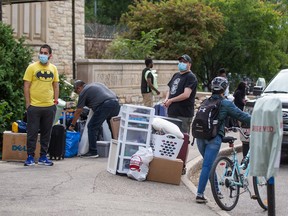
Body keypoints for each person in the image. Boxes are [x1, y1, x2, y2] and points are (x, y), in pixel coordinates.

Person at [195, 76, 251, 203]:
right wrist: (259, 120)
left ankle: (217, 191)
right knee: (208, 166)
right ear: (224, 89)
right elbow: (242, 116)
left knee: (209, 165)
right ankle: (199, 194)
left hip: (199, 137)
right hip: (213, 138)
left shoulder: (205, 101)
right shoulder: (225, 103)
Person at [23, 44, 59, 166]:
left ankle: (43, 156)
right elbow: (26, 85)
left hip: (49, 106)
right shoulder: (32, 67)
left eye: (45, 53)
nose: (42, 55)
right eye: (41, 52)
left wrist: (55, 100)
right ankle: (30, 157)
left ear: (50, 55)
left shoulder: (53, 68)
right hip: (34, 106)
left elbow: (55, 85)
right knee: (32, 132)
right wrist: (28, 103)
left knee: (46, 133)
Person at [68, 80, 120, 158]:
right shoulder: (96, 84)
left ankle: (93, 151)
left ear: (79, 88)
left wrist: (72, 125)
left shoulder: (83, 92)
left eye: (76, 92)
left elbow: (79, 110)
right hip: (116, 103)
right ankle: (117, 150)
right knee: (112, 128)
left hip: (105, 105)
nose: (78, 94)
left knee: (92, 127)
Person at [163, 54, 197, 133]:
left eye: (184, 62)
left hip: (183, 114)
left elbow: (186, 95)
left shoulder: (190, 77)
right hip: (172, 112)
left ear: (189, 64)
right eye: (180, 61)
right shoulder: (176, 75)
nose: (182, 63)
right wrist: (166, 99)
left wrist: (171, 100)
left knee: (182, 139)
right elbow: (170, 89)